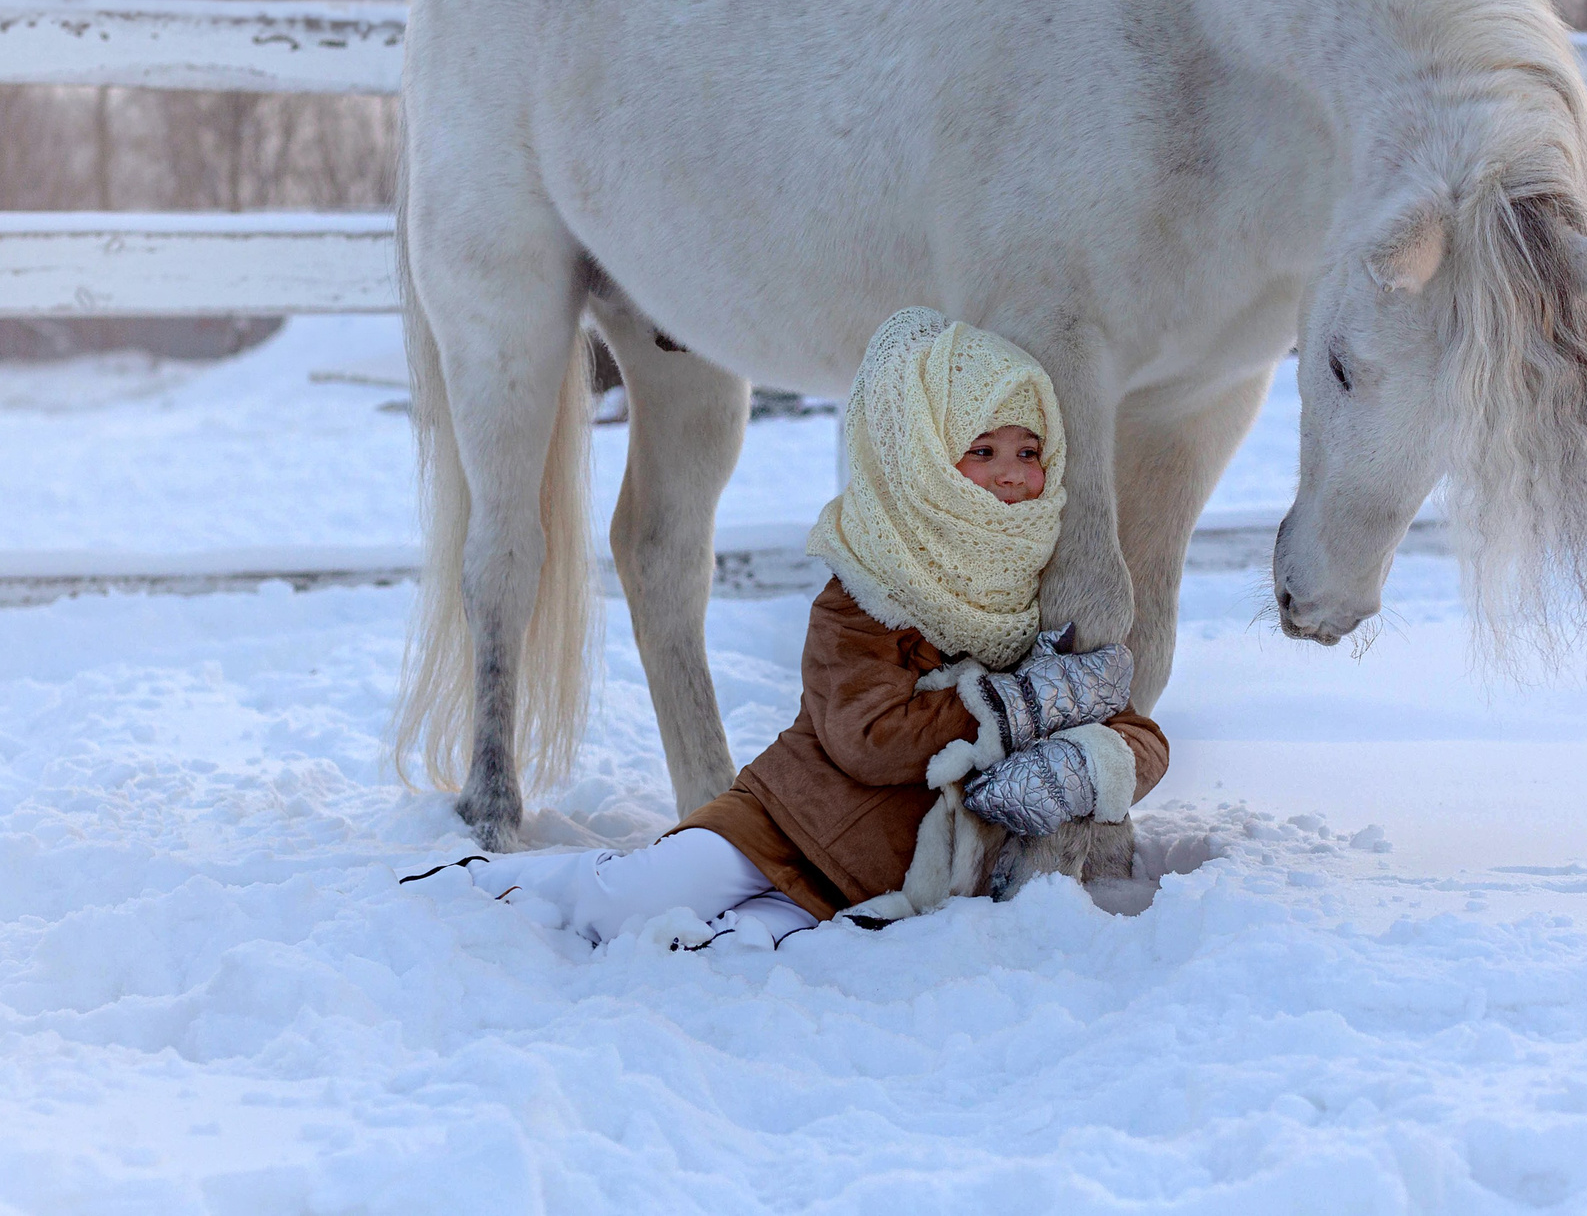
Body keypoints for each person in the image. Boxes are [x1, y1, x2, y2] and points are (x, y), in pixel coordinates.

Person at [405, 308, 1167, 950]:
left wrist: (1085, 761)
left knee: (732, 948)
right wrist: (1016, 708)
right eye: (983, 450)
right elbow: (866, 735)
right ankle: (488, 889)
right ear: (931, 462)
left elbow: (1136, 729)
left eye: (1030, 452)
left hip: (860, 888)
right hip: (775, 828)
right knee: (639, 896)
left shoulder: (1037, 597)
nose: (1011, 473)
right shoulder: (869, 588)